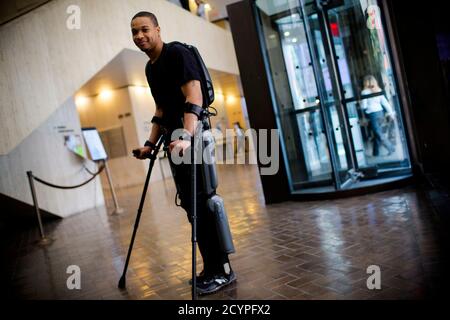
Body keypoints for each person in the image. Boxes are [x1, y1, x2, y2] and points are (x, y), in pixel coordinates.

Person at [130, 11, 235, 295]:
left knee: (205, 202)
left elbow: (194, 97)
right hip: (174, 142)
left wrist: (187, 136)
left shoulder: (177, 54)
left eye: (144, 30)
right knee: (191, 207)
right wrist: (150, 145)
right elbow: (161, 110)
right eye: (134, 32)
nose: (139, 36)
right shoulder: (151, 69)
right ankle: (210, 267)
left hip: (193, 138)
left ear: (157, 29)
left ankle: (223, 270)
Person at [360, 75, 396, 157]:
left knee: (379, 133)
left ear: (365, 82)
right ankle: (375, 153)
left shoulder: (364, 92)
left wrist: (360, 103)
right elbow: (385, 103)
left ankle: (391, 148)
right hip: (380, 113)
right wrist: (391, 113)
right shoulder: (378, 90)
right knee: (377, 133)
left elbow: (364, 106)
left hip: (373, 115)